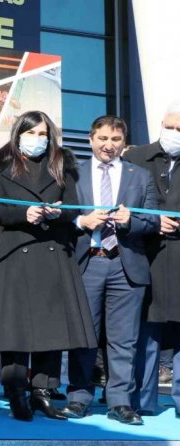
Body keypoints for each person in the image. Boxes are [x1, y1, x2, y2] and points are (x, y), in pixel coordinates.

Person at [0, 110, 97, 422]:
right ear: (19, 134)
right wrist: (24, 214)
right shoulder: (1, 164)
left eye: (43, 134)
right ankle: (16, 392)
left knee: (51, 328)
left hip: (52, 252)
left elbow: (73, 207)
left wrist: (57, 213)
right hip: (16, 254)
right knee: (15, 331)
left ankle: (42, 391)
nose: (37, 139)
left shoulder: (62, 163)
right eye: (31, 133)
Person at [63, 116, 158, 425]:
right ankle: (78, 397)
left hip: (125, 265)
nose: (108, 145)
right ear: (91, 139)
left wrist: (131, 221)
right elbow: (61, 215)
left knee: (124, 340)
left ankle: (120, 402)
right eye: (103, 138)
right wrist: (81, 221)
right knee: (83, 336)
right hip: (87, 262)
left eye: (115, 139)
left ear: (123, 142)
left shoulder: (140, 176)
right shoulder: (72, 173)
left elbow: (153, 220)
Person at [125, 100, 180, 419]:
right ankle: (142, 400)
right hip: (145, 256)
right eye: (169, 126)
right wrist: (152, 221)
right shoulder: (136, 157)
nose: (173, 133)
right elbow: (121, 203)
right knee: (147, 330)